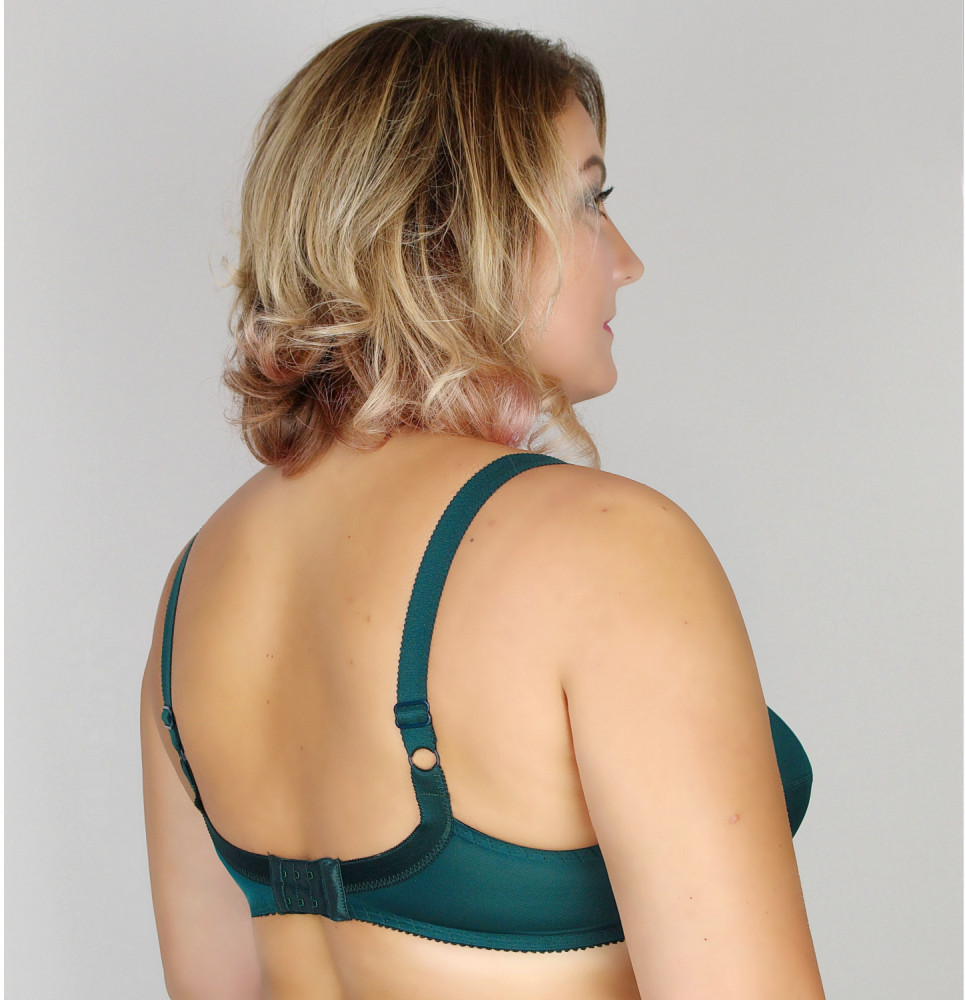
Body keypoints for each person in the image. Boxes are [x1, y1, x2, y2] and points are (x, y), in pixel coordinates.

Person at [140, 15, 825, 999]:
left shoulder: (195, 588)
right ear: (459, 228)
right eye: (589, 201)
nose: (625, 258)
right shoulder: (605, 549)